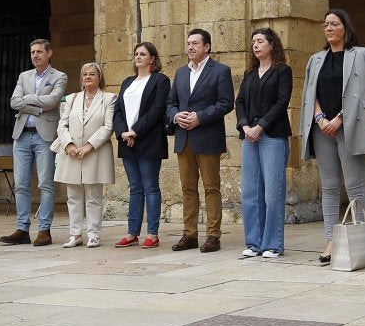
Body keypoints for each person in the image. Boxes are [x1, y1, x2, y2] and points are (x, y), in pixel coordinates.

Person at [300, 10, 365, 265]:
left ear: (345, 27)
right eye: (326, 24)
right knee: (329, 186)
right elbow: (310, 94)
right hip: (322, 128)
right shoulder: (316, 59)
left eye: (334, 24)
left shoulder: (360, 54)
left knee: (354, 185)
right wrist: (320, 118)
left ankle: (359, 239)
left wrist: (340, 119)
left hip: (350, 125)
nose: (329, 28)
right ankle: (331, 240)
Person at [167, 29, 235, 252]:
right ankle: (190, 234)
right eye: (188, 43)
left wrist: (200, 117)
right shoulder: (180, 73)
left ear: (207, 47)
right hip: (184, 137)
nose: (190, 47)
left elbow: (226, 103)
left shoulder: (220, 71)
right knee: (188, 188)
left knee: (211, 187)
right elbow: (170, 103)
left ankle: (213, 235)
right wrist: (175, 116)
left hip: (207, 137)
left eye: (195, 43)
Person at [0, 39, 67, 247]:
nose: (35, 55)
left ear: (49, 53)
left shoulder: (59, 76)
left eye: (39, 52)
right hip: (21, 135)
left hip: (44, 136)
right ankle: (22, 229)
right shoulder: (24, 76)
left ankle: (44, 230)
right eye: (32, 52)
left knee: (45, 183)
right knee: (20, 184)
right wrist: (38, 107)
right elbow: (14, 102)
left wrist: (28, 100)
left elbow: (53, 101)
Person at [235, 27, 293, 259]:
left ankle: (272, 244)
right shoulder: (249, 74)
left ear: (272, 45)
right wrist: (245, 126)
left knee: (272, 193)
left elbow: (282, 102)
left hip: (272, 136)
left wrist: (261, 126)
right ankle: (254, 243)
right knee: (250, 192)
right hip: (249, 136)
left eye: (260, 41)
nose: (255, 45)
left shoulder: (282, 71)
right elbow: (240, 102)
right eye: (253, 42)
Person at [113, 42, 170, 249]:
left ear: (152, 59)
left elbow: (157, 109)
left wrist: (135, 131)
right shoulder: (127, 82)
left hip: (148, 139)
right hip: (127, 141)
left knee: (150, 186)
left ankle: (152, 233)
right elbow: (118, 111)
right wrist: (122, 132)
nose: (138, 56)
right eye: (136, 53)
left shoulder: (160, 80)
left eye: (143, 54)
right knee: (135, 188)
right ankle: (132, 233)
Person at [54, 62, 116, 249]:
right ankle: (75, 234)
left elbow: (108, 126)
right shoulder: (72, 98)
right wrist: (69, 145)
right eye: (85, 74)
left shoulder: (109, 98)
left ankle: (94, 234)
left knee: (93, 196)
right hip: (72, 153)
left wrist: (89, 146)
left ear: (99, 77)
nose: (88, 77)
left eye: (92, 74)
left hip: (95, 153)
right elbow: (62, 125)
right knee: (73, 196)